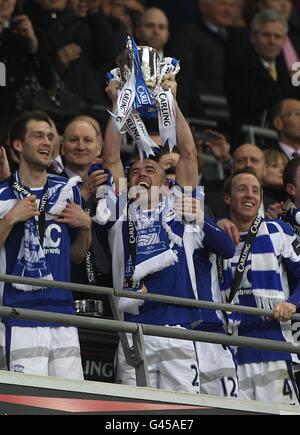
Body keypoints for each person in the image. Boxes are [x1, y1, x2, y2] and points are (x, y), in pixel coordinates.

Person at [89, 76, 235, 392]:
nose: (141, 174)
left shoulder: (182, 207)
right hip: (131, 330)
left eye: (150, 170)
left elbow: (188, 154)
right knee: (132, 412)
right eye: (135, 172)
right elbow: (111, 158)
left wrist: (172, 101)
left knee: (181, 412)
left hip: (178, 329)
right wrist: (117, 104)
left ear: (165, 181)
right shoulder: (118, 211)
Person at [0, 110, 92, 378]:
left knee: (70, 400)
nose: (47, 143)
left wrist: (86, 227)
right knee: (27, 401)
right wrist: (11, 218)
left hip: (63, 313)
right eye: (38, 136)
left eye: (51, 137)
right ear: (18, 145)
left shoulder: (67, 190)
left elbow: (75, 256)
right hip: (20, 314)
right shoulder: (3, 195)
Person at [219, 167, 300, 403]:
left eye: (256, 191)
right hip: (229, 352)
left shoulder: (278, 230)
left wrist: (293, 304)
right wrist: (217, 223)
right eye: (242, 189)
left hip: (274, 346)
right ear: (227, 198)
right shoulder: (216, 236)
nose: (250, 195)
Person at [225, 9, 300, 147]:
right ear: (253, 37)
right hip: (251, 139)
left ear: (284, 41)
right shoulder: (239, 64)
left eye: (277, 37)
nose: (272, 41)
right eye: (266, 35)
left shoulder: (287, 66)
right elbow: (255, 101)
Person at [61, 116, 113, 316]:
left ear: (99, 149)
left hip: (108, 300)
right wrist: (83, 194)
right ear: (62, 147)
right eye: (74, 140)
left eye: (88, 140)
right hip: (65, 295)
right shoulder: (49, 183)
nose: (80, 146)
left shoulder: (112, 186)